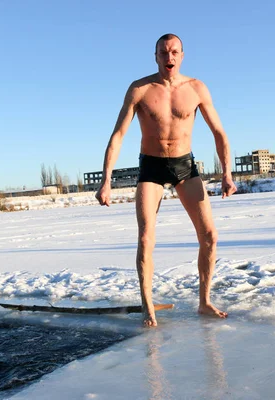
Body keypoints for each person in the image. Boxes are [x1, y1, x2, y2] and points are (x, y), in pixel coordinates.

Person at [95, 33, 237, 327]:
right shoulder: (139, 88)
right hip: (151, 168)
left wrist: (227, 173)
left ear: (182, 55)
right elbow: (118, 135)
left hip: (185, 166)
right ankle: (148, 307)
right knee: (146, 238)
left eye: (174, 52)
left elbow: (219, 133)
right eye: (163, 52)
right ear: (156, 56)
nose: (169, 57)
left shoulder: (196, 88)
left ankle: (204, 302)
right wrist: (106, 179)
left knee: (210, 236)